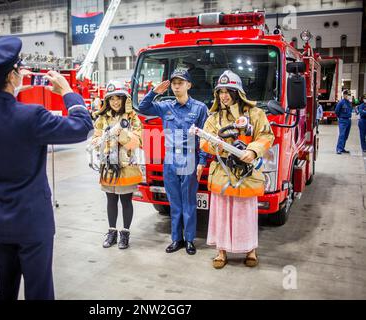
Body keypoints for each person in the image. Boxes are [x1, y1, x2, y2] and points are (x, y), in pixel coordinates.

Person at [0, 36, 93, 300]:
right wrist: (68, 91)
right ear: (12, 76)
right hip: (33, 225)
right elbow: (82, 126)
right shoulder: (32, 116)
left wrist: (10, 90)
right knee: (38, 290)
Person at [200, 70, 274, 269]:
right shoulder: (213, 118)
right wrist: (219, 145)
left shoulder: (256, 113)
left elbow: (267, 136)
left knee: (246, 212)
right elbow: (203, 142)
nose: (223, 96)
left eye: (228, 91)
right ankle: (221, 251)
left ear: (238, 92)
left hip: (246, 173)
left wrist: (253, 150)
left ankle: (250, 250)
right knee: (221, 212)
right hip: (223, 171)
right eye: (220, 92)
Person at [138, 69, 208, 255]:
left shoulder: (199, 108)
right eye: (174, 83)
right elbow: (142, 108)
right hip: (170, 159)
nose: (177, 86)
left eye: (181, 82)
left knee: (189, 202)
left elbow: (204, 137)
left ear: (188, 85)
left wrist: (202, 161)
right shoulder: (165, 106)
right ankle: (177, 239)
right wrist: (154, 92)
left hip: (189, 157)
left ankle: (190, 240)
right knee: (174, 203)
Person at [91, 80, 143, 249]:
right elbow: (95, 139)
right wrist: (103, 138)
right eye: (111, 98)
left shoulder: (132, 117)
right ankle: (112, 232)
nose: (115, 102)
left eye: (118, 98)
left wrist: (121, 134)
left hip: (126, 166)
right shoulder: (102, 118)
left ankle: (125, 234)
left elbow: (137, 141)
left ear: (124, 99)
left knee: (126, 201)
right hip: (108, 167)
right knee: (110, 200)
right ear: (107, 100)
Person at [335, 90, 353, 154]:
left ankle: (342, 148)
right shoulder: (341, 102)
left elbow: (351, 110)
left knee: (346, 135)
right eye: (347, 95)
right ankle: (339, 149)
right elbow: (336, 111)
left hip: (348, 120)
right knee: (342, 135)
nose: (348, 96)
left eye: (349, 95)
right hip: (343, 120)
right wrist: (340, 117)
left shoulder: (349, 102)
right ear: (344, 95)